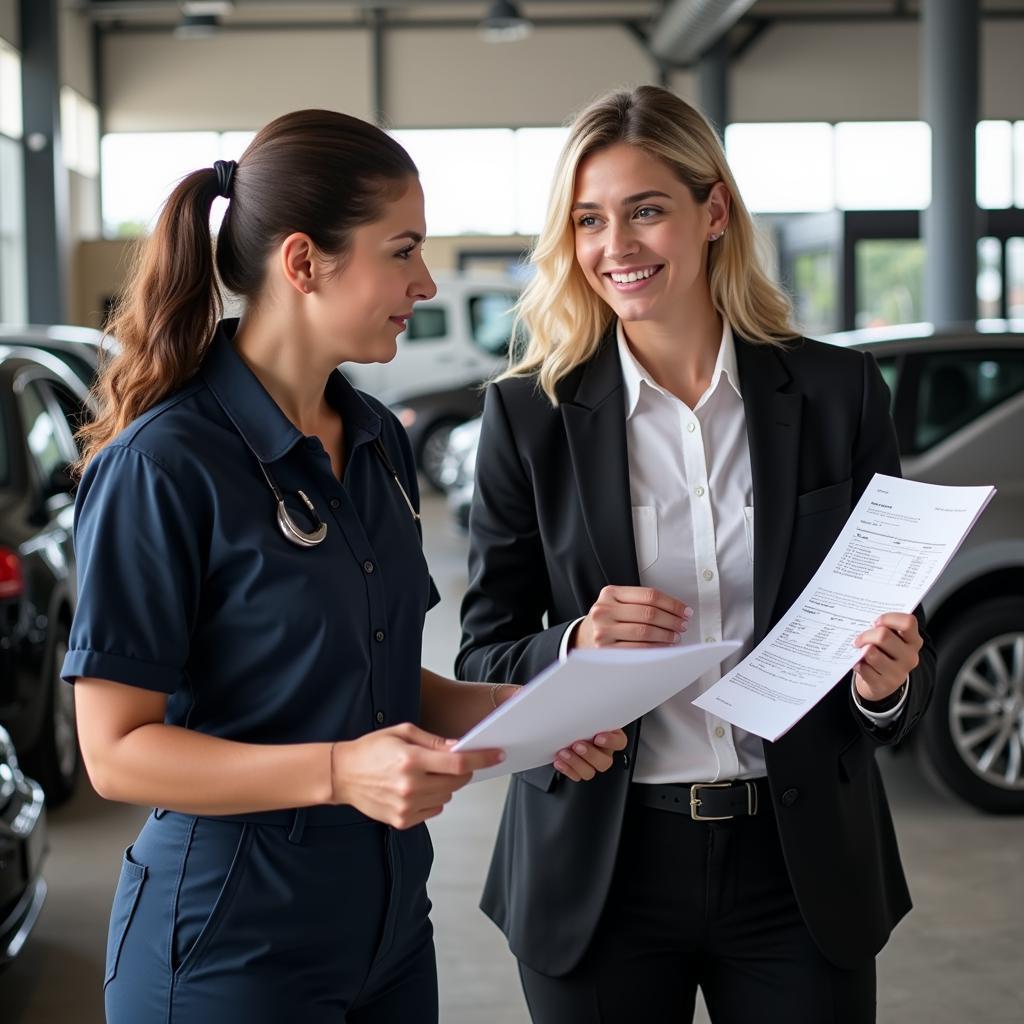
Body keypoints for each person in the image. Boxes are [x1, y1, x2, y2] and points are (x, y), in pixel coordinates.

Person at [63, 109, 625, 1024]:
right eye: (402, 251)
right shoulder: (164, 465)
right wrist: (336, 773)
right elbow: (115, 751)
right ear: (303, 263)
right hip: (229, 945)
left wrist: (532, 716)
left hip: (389, 933)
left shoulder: (373, 443)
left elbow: (372, 675)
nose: (426, 281)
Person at [456, 85, 935, 1024]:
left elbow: (886, 639)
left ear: (713, 210)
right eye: (589, 220)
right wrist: (572, 649)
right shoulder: (527, 416)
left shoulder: (839, 392)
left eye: (646, 211)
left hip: (799, 871)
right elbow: (483, 651)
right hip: (601, 869)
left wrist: (885, 683)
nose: (616, 247)